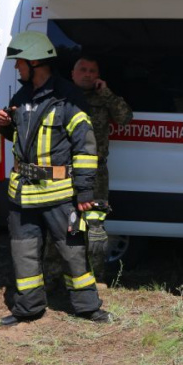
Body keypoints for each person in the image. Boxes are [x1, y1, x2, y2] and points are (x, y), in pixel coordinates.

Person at [0, 31, 110, 326]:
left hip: (60, 194)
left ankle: (87, 307)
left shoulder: (68, 98)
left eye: (20, 62)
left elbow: (85, 148)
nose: (16, 67)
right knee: (24, 253)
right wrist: (7, 127)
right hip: (22, 195)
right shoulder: (21, 97)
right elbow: (23, 141)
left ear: (35, 62)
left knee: (73, 250)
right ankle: (28, 308)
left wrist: (84, 194)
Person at [71, 56, 133, 276]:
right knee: (65, 224)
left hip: (96, 173)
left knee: (95, 226)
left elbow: (125, 118)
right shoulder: (64, 96)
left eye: (93, 70)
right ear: (73, 73)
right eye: (83, 69)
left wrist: (106, 93)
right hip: (65, 172)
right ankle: (63, 275)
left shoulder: (103, 97)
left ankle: (95, 277)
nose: (88, 74)